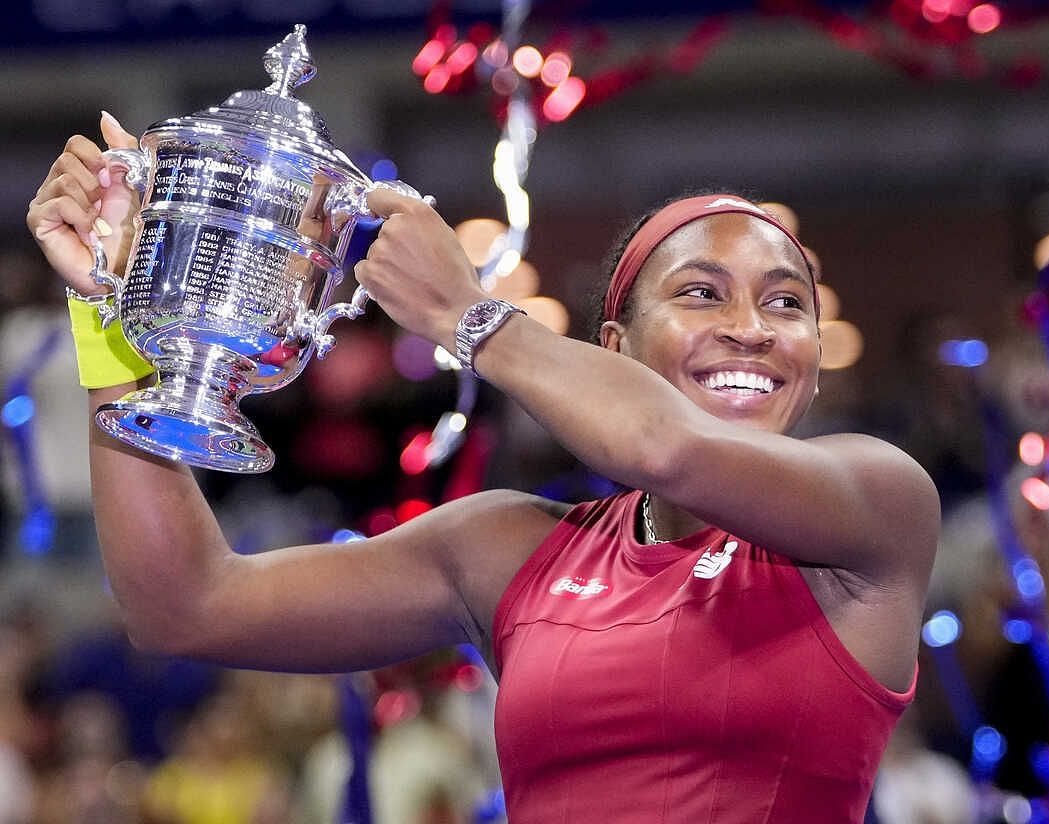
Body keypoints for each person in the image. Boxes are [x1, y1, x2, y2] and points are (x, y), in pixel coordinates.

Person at [26, 113, 940, 823]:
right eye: (702, 293)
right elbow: (183, 602)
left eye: (788, 304)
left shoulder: (876, 502)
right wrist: (110, 315)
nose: (751, 326)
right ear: (615, 345)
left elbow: (667, 448)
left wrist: (469, 315)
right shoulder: (509, 548)